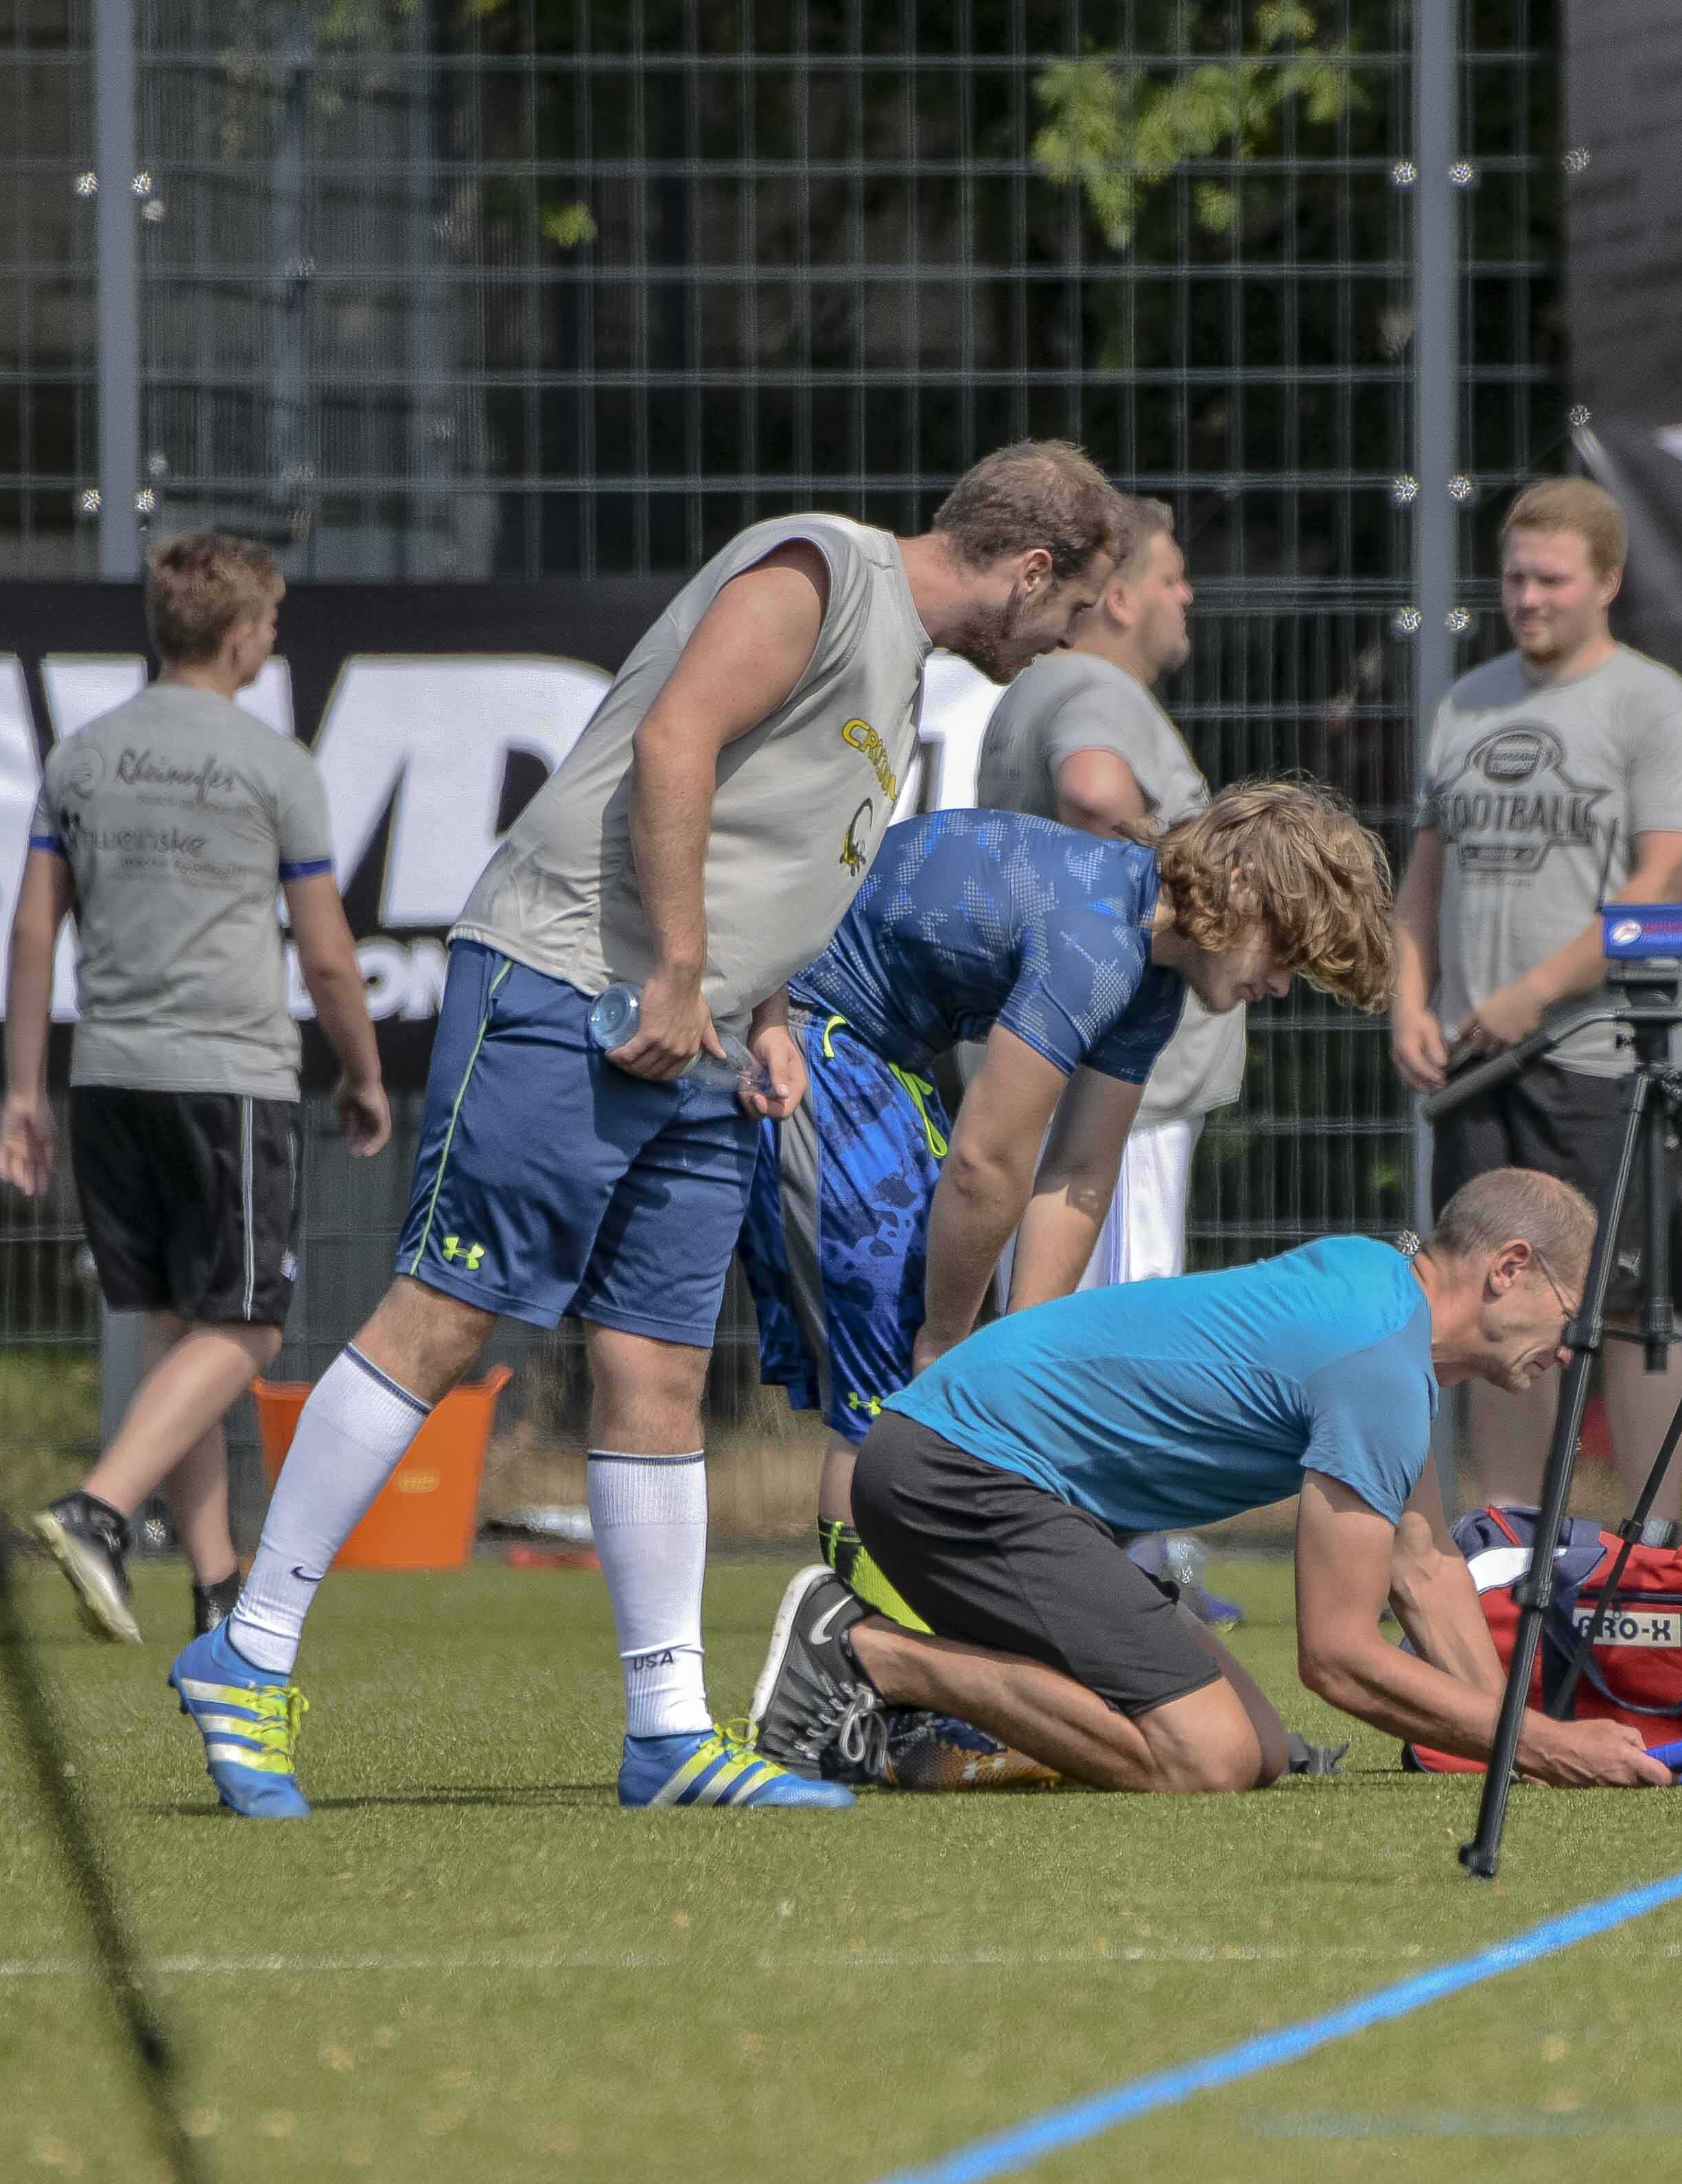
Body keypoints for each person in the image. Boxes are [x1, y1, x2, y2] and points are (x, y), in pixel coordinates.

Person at [166, 442, 1127, 1817]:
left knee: (659, 1366)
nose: (1065, 641)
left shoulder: (905, 655)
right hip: (581, 984)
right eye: (1074, 608)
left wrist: (769, 1005)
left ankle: (668, 1731)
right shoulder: (817, 570)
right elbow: (675, 742)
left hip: (710, 1031)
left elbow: (767, 840)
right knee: (445, 1315)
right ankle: (247, 1650)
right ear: (1032, 569)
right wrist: (679, 968)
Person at [744, 1171, 1674, 1796]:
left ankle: (917, 1712)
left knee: (1262, 1752)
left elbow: (1423, 1565)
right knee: (1209, 1757)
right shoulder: (1377, 1360)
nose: (1575, 1342)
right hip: (955, 1475)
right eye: (1572, 1308)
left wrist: (1523, 1746)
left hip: (980, 1472)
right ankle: (867, 1654)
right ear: (1508, 1269)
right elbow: (1338, 1657)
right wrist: (1550, 1747)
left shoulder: (1381, 1297)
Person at [741, 782, 1392, 1607]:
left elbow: (1080, 1171)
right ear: (1237, 894)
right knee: (894, 1393)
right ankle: (859, 1673)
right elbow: (988, 1160)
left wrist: (1019, 1359)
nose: (1282, 986)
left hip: (882, 1056)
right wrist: (948, 1344)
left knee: (924, 1383)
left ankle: (904, 1672)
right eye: (1285, 953)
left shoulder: (1152, 979)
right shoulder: (1100, 940)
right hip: (818, 1033)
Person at [0, 533, 394, 1645]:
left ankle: (218, 1590)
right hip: (227, 1084)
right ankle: (99, 1508)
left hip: (108, 1081)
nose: (273, 638)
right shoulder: (273, 765)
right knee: (251, 1331)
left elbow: (34, 927)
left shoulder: (82, 754)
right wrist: (363, 1075)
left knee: (186, 1343)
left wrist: (23, 1090)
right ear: (238, 636)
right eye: (268, 623)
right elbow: (325, 956)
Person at [1390, 477, 1682, 1533]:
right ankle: (1503, 1532)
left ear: (1607, 582)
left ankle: (1651, 1533)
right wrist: (1409, 998)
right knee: (1485, 1300)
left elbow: (1666, 877)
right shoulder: (1469, 700)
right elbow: (1423, 873)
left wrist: (1533, 992)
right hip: (1475, 1061)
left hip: (1596, 1054)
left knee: (1625, 1304)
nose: (1526, 598)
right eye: (1513, 576)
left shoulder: (1651, 703)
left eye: (1550, 579)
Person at [975, 494, 1242, 1289]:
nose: (1185, 596)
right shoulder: (1099, 687)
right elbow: (1093, 793)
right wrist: (1189, 912)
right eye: (1173, 577)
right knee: (1119, 1339)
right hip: (1119, 1098)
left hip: (1066, 1075)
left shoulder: (1041, 685)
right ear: (1120, 599)